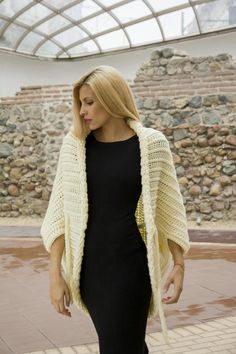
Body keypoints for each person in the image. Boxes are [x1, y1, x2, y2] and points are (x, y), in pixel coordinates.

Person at [40, 65, 190, 354]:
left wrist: (179, 264)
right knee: (126, 345)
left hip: (131, 267)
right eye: (80, 102)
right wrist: (54, 275)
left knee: (120, 346)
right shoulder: (75, 147)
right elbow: (59, 214)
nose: (82, 110)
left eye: (89, 102)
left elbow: (169, 210)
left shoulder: (152, 145)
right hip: (90, 270)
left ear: (111, 98)